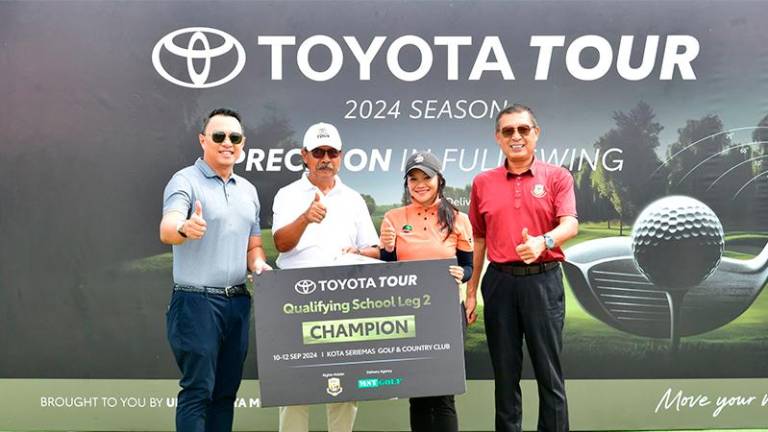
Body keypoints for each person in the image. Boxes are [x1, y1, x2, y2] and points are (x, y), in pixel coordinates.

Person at [466, 104, 578, 432]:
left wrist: (542, 242)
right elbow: (478, 240)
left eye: (523, 130)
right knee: (505, 376)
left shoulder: (557, 176)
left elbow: (570, 224)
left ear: (536, 134)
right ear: (498, 138)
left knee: (549, 375)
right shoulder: (482, 182)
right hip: (500, 284)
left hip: (543, 282)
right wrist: (471, 293)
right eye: (508, 131)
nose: (516, 136)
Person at [159, 108, 271, 432]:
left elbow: (253, 247)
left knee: (225, 394)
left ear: (242, 143)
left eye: (234, 137)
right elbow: (167, 227)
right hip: (196, 303)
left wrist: (259, 264)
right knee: (198, 391)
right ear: (202, 140)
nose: (227, 143)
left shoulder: (248, 191)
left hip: (237, 302)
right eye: (218, 136)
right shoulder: (184, 181)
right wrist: (184, 228)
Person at [272, 122, 380, 432]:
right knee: (294, 388)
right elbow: (281, 243)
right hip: (296, 301)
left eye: (332, 152)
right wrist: (305, 218)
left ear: (341, 156)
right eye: (318, 152)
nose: (325, 158)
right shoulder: (288, 194)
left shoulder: (353, 198)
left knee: (344, 389)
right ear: (304, 155)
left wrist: (365, 252)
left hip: (344, 303)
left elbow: (371, 248)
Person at [378, 151, 473, 432]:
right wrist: (387, 249)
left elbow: (467, 264)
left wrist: (463, 274)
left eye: (426, 177)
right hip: (408, 316)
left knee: (443, 395)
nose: (420, 184)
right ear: (406, 183)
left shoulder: (458, 218)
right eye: (413, 178)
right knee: (418, 394)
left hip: (445, 316)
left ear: (439, 180)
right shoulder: (393, 218)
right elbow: (388, 270)